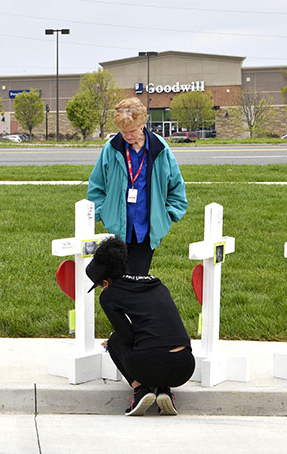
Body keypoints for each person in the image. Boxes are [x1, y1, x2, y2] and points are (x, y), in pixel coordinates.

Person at [86, 237, 195, 416]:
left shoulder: (109, 295)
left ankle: (140, 391)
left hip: (149, 365)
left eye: (99, 285)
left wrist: (115, 340)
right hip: (185, 366)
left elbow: (127, 337)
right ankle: (164, 391)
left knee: (115, 341)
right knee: (158, 343)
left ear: (105, 282)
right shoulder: (157, 284)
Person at [87, 97, 188, 275]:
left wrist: (167, 214)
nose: (127, 136)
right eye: (123, 131)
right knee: (116, 279)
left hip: (147, 228)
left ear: (142, 124)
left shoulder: (159, 149)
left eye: (131, 130)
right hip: (118, 227)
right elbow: (97, 184)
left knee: (137, 279)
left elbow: (176, 185)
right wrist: (103, 212)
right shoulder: (111, 149)